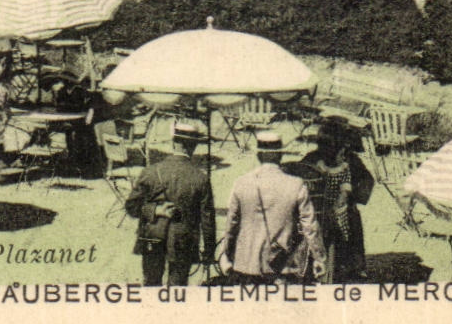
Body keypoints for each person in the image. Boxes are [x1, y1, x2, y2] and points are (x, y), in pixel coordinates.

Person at [219, 132, 324, 283]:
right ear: (280, 155)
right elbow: (310, 226)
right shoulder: (296, 184)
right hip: (282, 265)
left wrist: (225, 254)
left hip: (246, 266)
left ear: (258, 155)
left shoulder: (241, 183)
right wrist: (319, 258)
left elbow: (231, 224)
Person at [124, 122, 216, 285]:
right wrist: (209, 252)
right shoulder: (201, 178)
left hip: (152, 237)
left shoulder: (151, 171)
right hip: (183, 242)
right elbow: (207, 220)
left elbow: (131, 207)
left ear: (174, 143)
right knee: (177, 290)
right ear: (194, 146)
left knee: (151, 286)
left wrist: (155, 210)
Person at [287, 122, 374, 282]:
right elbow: (301, 176)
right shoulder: (313, 158)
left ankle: (353, 265)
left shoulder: (350, 161)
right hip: (317, 210)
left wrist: (349, 194)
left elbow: (366, 181)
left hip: (339, 209)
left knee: (349, 220)